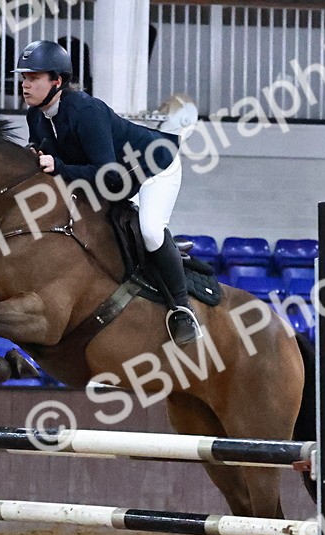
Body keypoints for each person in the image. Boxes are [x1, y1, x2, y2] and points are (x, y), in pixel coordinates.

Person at [14, 40, 201, 346]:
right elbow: (46, 155)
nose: (25, 84)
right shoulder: (36, 115)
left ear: (57, 82)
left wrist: (56, 164)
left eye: (33, 78)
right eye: (24, 77)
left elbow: (106, 172)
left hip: (154, 167)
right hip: (116, 180)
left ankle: (182, 309)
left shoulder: (86, 112)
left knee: (151, 232)